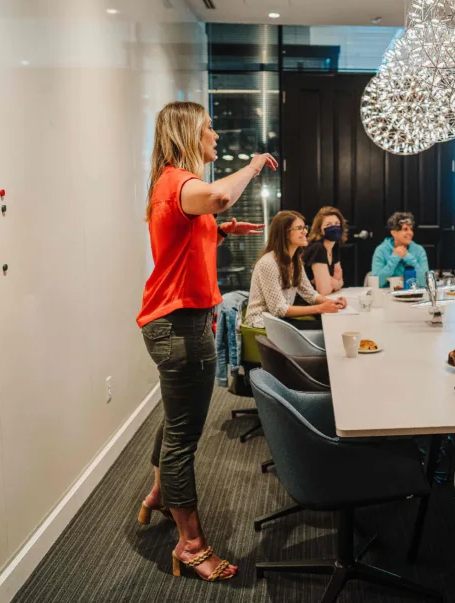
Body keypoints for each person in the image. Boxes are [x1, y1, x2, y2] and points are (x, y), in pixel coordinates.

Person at [136, 101, 277, 581]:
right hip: (181, 327)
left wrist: (221, 230)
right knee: (182, 438)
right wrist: (254, 166)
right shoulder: (179, 181)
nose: (216, 134)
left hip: (176, 323)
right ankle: (191, 545)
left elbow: (190, 232)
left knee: (175, 421)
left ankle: (158, 495)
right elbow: (217, 197)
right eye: (209, 127)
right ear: (188, 133)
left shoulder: (169, 185)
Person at [244, 210, 348, 328]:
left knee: (324, 325)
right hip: (261, 324)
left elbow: (310, 294)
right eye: (299, 228)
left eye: (304, 227)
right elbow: (279, 309)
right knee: (322, 328)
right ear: (285, 234)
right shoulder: (268, 263)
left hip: (278, 320)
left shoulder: (295, 261)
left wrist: (331, 303)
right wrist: (320, 308)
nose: (305, 232)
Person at [371, 211, 429, 288]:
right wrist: (394, 258)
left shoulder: (419, 250)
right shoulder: (381, 251)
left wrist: (409, 258)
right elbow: (377, 283)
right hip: (387, 296)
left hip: (414, 295)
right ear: (394, 233)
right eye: (405, 229)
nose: (410, 233)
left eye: (411, 229)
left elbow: (425, 282)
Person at [303, 206, 346, 295]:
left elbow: (340, 280)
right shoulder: (318, 248)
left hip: (324, 299)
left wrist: (332, 281)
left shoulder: (334, 245)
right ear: (320, 229)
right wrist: (334, 282)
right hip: (305, 302)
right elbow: (324, 290)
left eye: (337, 223)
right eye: (328, 225)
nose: (334, 228)